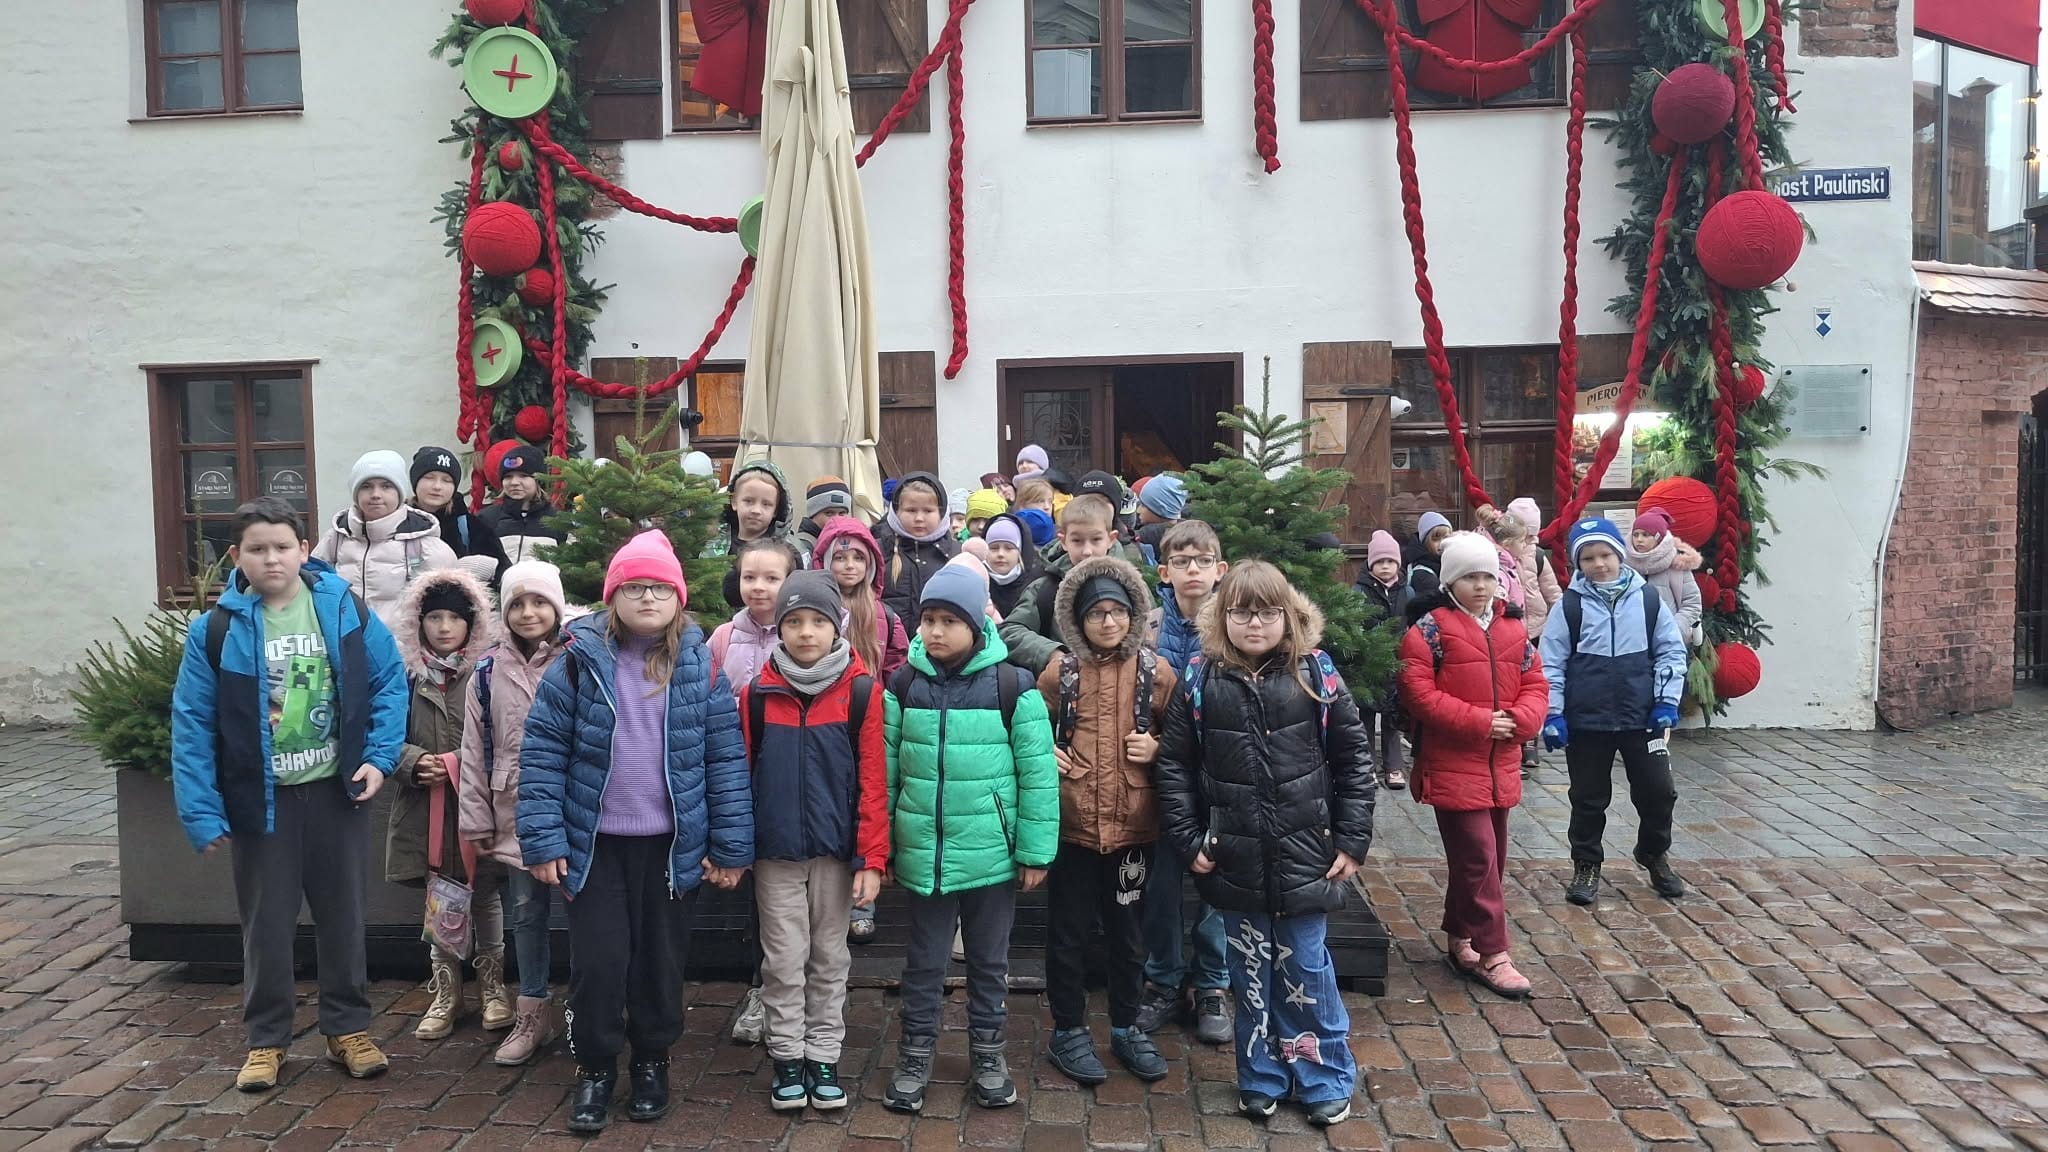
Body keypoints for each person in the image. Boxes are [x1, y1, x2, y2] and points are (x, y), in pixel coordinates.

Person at [517, 531, 755, 1134]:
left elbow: (725, 759)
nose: (648, 597)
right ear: (613, 597)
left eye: (659, 588)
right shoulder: (577, 663)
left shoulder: (700, 667)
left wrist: (730, 847)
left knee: (659, 962)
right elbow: (543, 752)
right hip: (595, 846)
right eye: (634, 587)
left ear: (677, 598)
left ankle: (652, 1059)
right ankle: (595, 1066)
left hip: (671, 848)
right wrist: (543, 839)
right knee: (599, 963)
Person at [169, 497, 406, 1091]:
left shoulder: (343, 609)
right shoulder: (216, 631)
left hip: (335, 795)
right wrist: (202, 810)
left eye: (281, 546)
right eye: (257, 549)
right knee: (267, 926)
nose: (271, 558)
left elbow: (388, 681)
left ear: (304, 550)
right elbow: (192, 723)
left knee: (343, 918)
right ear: (236, 556)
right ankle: (267, 1039)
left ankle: (347, 1028)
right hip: (262, 803)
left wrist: (379, 758)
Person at [1152, 561, 1374, 1125]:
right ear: (1222, 617)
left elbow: (1353, 760)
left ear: (1287, 615)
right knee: (1251, 972)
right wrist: (1189, 839)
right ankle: (1262, 1073)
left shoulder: (1315, 673)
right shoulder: (1202, 678)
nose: (1255, 624)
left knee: (1307, 971)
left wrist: (1351, 838)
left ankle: (1322, 1074)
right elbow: (1175, 766)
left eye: (1267, 612)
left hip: (1307, 857)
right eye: (1242, 612)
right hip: (1236, 858)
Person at [881, 561, 1058, 1115]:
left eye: (949, 621)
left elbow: (1038, 775)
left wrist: (1034, 851)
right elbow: (886, 772)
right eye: (928, 619)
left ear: (976, 624)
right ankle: (915, 1053)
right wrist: (885, 845)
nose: (936, 631)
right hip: (926, 854)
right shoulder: (903, 685)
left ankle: (988, 1052)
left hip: (992, 856)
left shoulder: (1013, 687)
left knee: (987, 961)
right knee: (924, 962)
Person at [738, 571, 889, 1112]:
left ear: (836, 627)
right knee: (783, 959)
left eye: (818, 622)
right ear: (779, 628)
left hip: (835, 853)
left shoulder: (862, 693)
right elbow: (741, 776)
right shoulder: (757, 696)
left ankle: (823, 1053)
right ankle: (787, 1054)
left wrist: (871, 858)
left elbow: (874, 780)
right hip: (774, 852)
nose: (806, 633)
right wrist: (738, 848)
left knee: (829, 956)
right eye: (795, 621)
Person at [1037, 557, 1177, 1085]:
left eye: (1118, 611)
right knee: (1068, 932)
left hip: (1134, 827)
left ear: (1134, 614)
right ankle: (1067, 1029)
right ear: (1078, 619)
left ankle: (1126, 1024)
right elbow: (1031, 728)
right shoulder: (1061, 672)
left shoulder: (1156, 673)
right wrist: (1046, 751)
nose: (1109, 622)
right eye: (1096, 613)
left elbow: (1184, 740)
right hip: (1072, 823)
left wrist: (1158, 749)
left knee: (1128, 933)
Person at [1398, 534, 1547, 1000]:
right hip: (1452, 765)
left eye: (1487, 576)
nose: (1480, 586)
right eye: (1469, 577)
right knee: (1479, 858)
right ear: (1450, 582)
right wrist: (1481, 722)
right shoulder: (1429, 632)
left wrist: (1521, 720)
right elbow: (1419, 695)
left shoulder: (1513, 628)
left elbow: (1535, 682)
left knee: (1489, 861)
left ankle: (1460, 932)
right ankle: (1493, 953)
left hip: (1500, 765)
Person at [459, 559, 580, 1066]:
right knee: (526, 913)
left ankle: (587, 1009)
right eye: (518, 604)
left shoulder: (578, 660)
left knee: (585, 914)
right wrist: (476, 817)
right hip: (515, 810)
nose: (529, 613)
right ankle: (532, 1011)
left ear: (556, 606)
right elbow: (474, 749)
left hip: (574, 807)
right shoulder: (488, 672)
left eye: (539, 602)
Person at [1540, 519, 1689, 908]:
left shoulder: (1648, 601)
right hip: (1586, 722)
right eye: (1588, 558)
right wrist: (1553, 715)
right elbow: (1550, 663)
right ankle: (1587, 864)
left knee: (1658, 792)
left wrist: (1666, 701)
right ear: (1578, 563)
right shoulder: (1569, 607)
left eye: (1605, 554)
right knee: (1588, 799)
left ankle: (1653, 853)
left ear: (1620, 555)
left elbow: (1670, 650)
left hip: (1642, 718)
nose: (1599, 564)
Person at [384, 567, 506, 1041]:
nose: (443, 627)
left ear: (472, 624)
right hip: (425, 807)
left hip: (477, 805)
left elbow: (504, 733)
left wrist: (460, 764)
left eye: (454, 618)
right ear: (419, 622)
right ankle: (446, 989)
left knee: (486, 893)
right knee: (440, 895)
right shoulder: (404, 676)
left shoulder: (487, 672)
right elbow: (382, 733)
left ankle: (493, 985)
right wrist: (413, 762)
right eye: (434, 617)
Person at [1134, 519, 1232, 1043]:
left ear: (1220, 569)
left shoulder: (1234, 627)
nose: (1192, 570)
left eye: (1202, 561)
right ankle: (1163, 979)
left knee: (1216, 883)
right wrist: (1153, 747)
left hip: (1217, 778)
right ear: (1164, 571)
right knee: (1161, 884)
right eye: (1181, 561)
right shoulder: (1145, 628)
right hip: (1160, 781)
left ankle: (1212, 982)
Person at [814, 516, 910, 945]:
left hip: (868, 723)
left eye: (858, 557)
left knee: (866, 809)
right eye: (840, 557)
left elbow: (897, 670)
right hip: (823, 723)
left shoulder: (884, 616)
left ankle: (862, 903)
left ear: (872, 564)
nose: (849, 565)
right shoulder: (812, 612)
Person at [313, 451, 459, 630]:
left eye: (386, 486)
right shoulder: (336, 538)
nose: (375, 494)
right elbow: (310, 586)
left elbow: (449, 605)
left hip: (399, 645)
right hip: (345, 642)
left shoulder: (424, 544)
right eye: (366, 486)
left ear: (399, 493)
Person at [999, 494, 1121, 675]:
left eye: (1096, 540)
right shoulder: (1045, 589)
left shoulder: (1130, 586)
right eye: (1077, 541)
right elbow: (1009, 632)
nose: (1087, 551)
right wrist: (1051, 653)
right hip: (1065, 684)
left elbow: (1148, 633)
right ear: (1063, 541)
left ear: (1111, 539)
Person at [1355, 529, 1413, 790]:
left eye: (1390, 561)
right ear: (1371, 565)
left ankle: (1394, 765)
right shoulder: (1360, 591)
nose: (1386, 566)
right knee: (1365, 717)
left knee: (1392, 716)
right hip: (1369, 662)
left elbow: (1412, 622)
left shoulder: (1407, 591)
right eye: (1380, 562)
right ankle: (1367, 766)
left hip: (1397, 661)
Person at [408, 446, 511, 586]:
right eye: (429, 478)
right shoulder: (397, 523)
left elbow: (503, 574)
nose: (437, 486)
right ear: (415, 482)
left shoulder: (472, 527)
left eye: (446, 480)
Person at [711, 537, 800, 691]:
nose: (758, 587)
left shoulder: (801, 636)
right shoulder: (723, 637)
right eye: (749, 577)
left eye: (771, 578)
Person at [709, 461, 800, 610]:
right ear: (734, 501)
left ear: (776, 510)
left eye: (766, 504)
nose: (756, 510)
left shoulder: (786, 553)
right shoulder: (711, 544)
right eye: (749, 501)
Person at [871, 472, 960, 621]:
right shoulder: (877, 551)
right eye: (911, 510)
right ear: (896, 511)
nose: (919, 518)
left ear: (941, 512)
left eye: (928, 511)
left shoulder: (956, 554)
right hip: (888, 635)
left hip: (939, 634)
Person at [1625, 510, 1703, 646]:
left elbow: (1692, 603)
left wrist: (1673, 629)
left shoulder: (1677, 565)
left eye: (1645, 535)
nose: (1639, 539)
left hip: (1669, 642)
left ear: (1658, 537)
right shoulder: (1624, 566)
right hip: (1633, 643)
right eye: (1635, 534)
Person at [477, 445, 564, 564]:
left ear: (538, 480)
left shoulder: (558, 521)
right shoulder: (486, 518)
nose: (514, 482)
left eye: (523, 476)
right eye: (508, 477)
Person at [982, 513, 1043, 619]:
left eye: (1009, 548)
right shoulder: (977, 582)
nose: (1000, 554)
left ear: (1020, 551)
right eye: (994, 548)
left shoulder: (1037, 584)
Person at [792, 476, 855, 562]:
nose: (836, 519)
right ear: (813, 514)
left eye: (842, 513)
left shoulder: (845, 542)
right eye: (829, 513)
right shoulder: (803, 547)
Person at [1134, 473, 1188, 565]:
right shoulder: (1190, 534)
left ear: (1160, 509)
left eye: (1143, 505)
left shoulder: (1146, 538)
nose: (1138, 510)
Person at [1405, 511, 1453, 598]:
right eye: (1436, 539)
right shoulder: (1423, 574)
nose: (1442, 543)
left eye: (1446, 538)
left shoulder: (1448, 561)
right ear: (1426, 542)